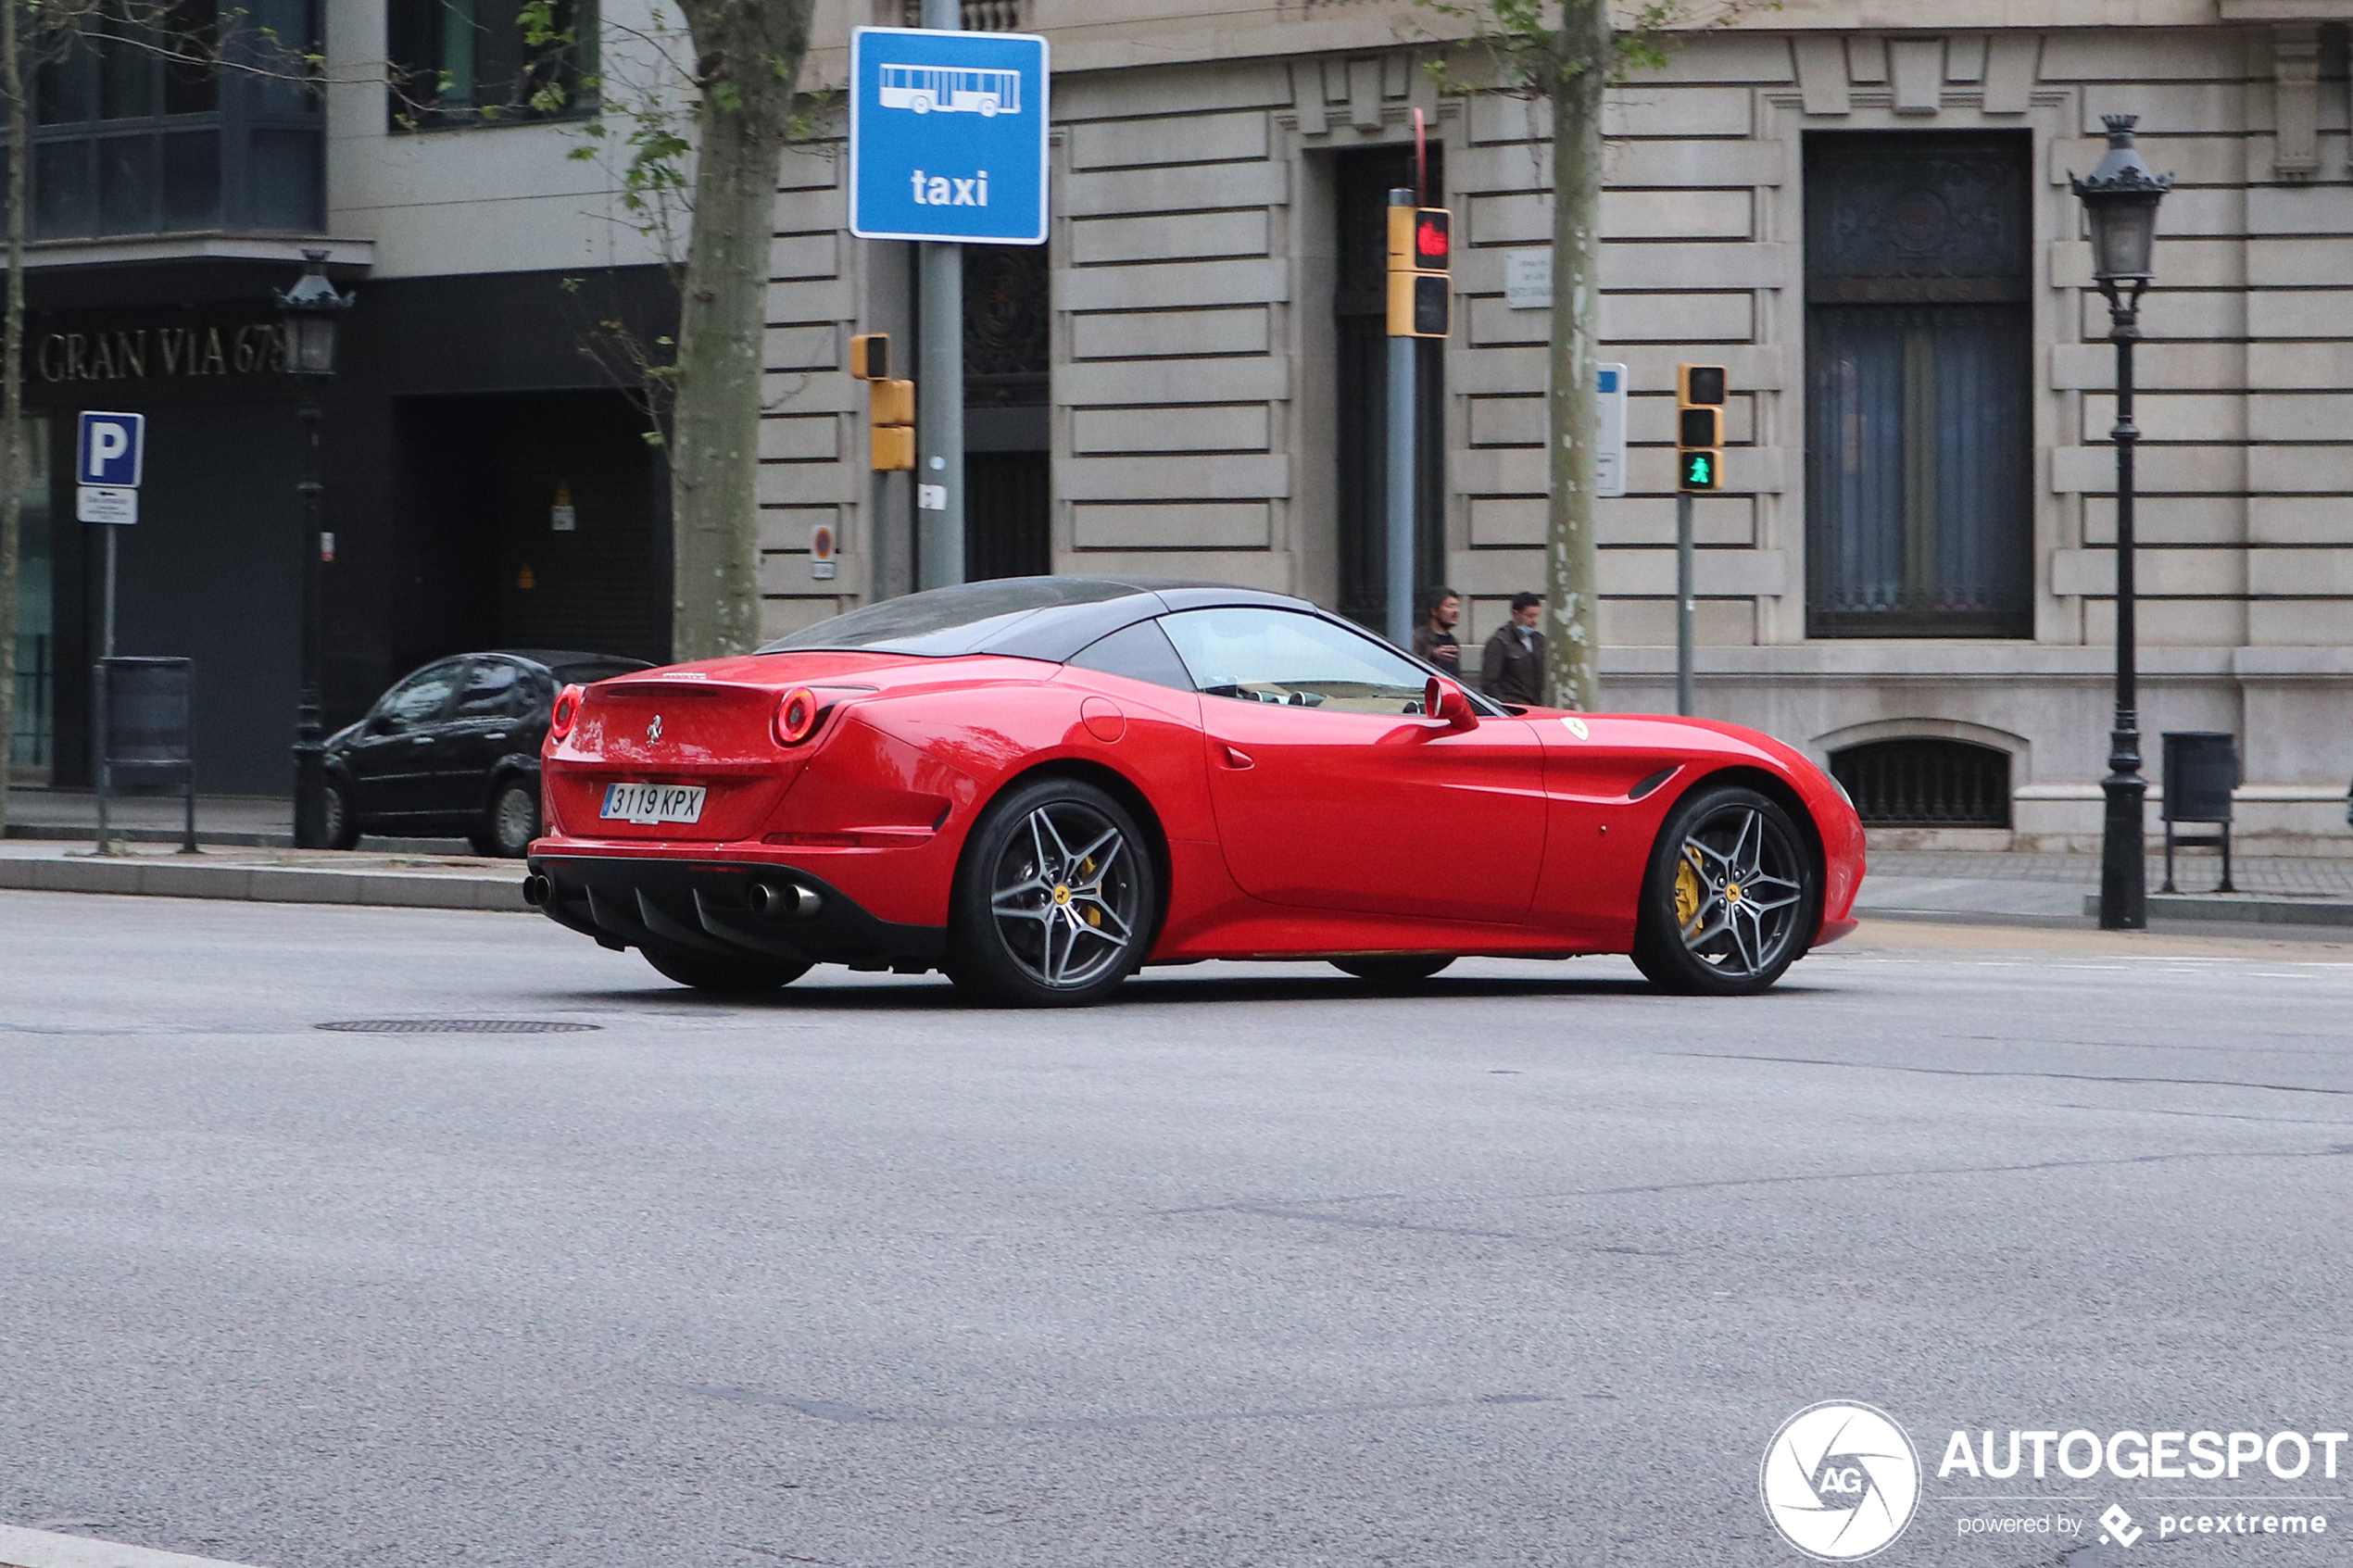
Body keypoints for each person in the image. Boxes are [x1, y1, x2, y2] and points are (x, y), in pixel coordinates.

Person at [1480, 591, 1545, 706]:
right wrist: (1506, 705)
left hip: (1535, 704)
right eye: (1529, 616)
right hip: (1513, 705)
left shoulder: (1539, 641)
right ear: (1516, 614)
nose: (1534, 621)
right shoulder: (1500, 641)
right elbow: (1489, 682)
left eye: (1537, 616)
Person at [1412, 585, 1462, 677]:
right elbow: (1410, 669)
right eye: (1450, 606)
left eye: (1457, 607)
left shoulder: (1452, 641)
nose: (1456, 611)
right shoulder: (1418, 638)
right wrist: (1433, 656)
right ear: (1434, 611)